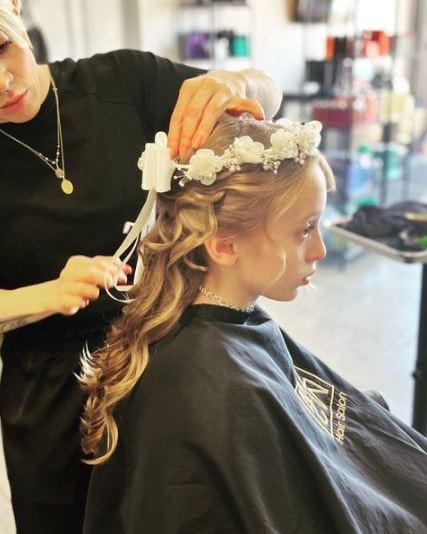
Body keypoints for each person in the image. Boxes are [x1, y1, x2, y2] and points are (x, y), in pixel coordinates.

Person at [0, 0, 283, 532]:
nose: (1, 81)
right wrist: (48, 294)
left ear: (16, 13)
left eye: (2, 48)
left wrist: (234, 82)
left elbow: (266, 92)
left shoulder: (124, 81)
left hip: (165, 355)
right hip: (50, 397)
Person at [81, 117, 427, 534]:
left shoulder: (236, 326)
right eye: (303, 230)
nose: (318, 250)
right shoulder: (208, 391)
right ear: (225, 245)